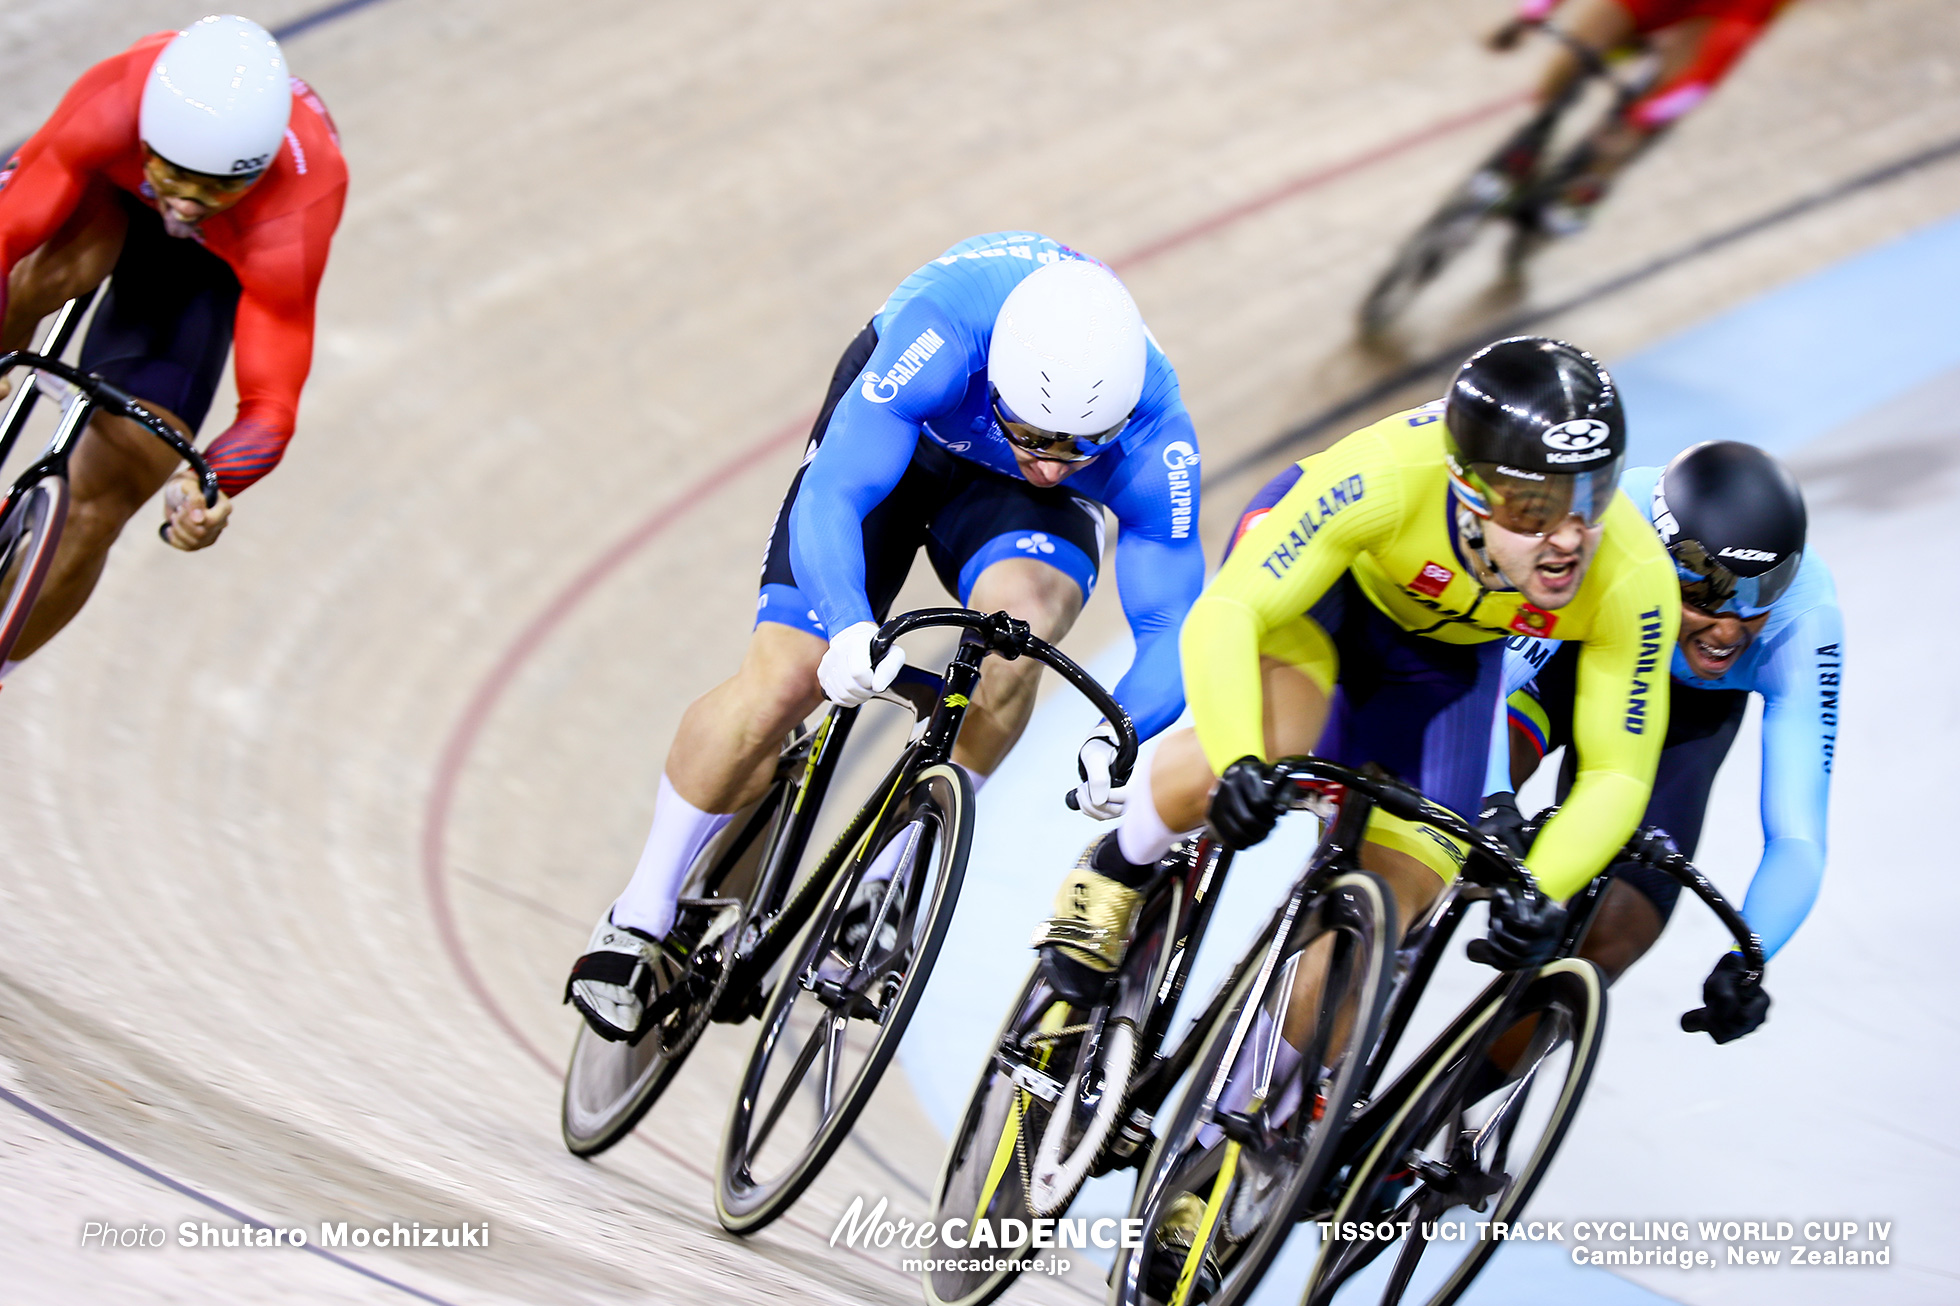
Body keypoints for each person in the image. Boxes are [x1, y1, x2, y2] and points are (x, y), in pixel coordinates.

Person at [565, 233, 1209, 1042]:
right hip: (906, 434)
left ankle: (890, 877)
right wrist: (846, 627)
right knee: (784, 678)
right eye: (1036, 437)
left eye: (1078, 449)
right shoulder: (940, 338)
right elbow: (836, 494)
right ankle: (641, 912)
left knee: (1019, 639)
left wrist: (1121, 736)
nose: (1051, 466)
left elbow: (1170, 623)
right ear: (998, 384)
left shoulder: (1154, 434)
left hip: (1006, 505)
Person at [1035, 336, 1683, 1009]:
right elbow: (1230, 612)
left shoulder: (1632, 580)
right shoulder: (1388, 476)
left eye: (1593, 496)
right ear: (1469, 490)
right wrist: (1238, 762)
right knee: (1270, 748)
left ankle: (1251, 1106)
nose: (1571, 537)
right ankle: (1119, 866)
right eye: (1534, 509)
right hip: (1322, 597)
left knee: (1389, 915)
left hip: (1445, 660)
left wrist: (1540, 888)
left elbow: (1617, 771)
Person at [0, 15, 346, 670]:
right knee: (37, 275)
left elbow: (271, 405)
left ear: (260, 169)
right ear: (149, 137)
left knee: (106, 497)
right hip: (107, 187)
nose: (186, 206)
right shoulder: (111, 102)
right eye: (178, 176)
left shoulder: (297, 205)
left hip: (213, 263)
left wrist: (207, 484)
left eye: (217, 186)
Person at [1483, 439, 1838, 1042]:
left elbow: (1797, 836)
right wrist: (1492, 799)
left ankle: (1444, 1111)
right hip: (1574, 654)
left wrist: (1747, 955)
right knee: (1461, 799)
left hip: (1685, 717)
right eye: (1707, 594)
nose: (1730, 628)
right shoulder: (1603, 528)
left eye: (1762, 595)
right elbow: (1492, 688)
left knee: (1613, 937)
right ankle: (1390, 944)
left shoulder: (1803, 621)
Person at [1492, 0, 1794, 238]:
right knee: (1573, 58)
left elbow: (1702, 80)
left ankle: (1592, 183)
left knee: (1657, 101)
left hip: (1718, 12)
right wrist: (1529, 14)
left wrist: (1642, 119)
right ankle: (1537, 133)